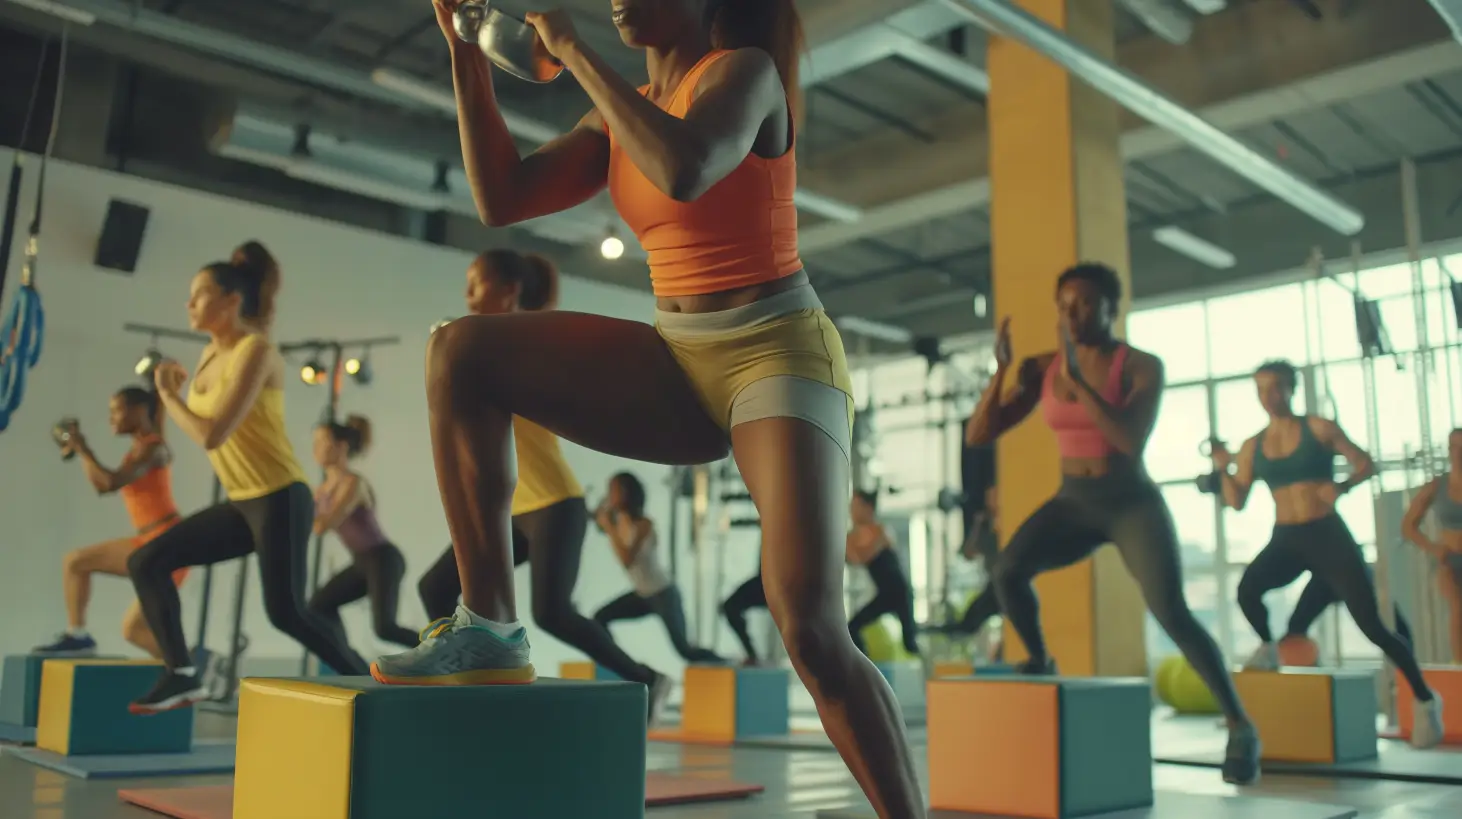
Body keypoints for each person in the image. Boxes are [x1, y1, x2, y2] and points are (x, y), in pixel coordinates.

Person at [373, 0, 924, 812]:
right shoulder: (616, 110)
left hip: (777, 353)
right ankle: (487, 623)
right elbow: (502, 196)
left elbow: (686, 167)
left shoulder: (744, 73)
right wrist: (466, 57)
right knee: (461, 350)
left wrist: (571, 48)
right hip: (677, 358)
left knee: (808, 627)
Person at [968, 262, 1260, 785]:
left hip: (1129, 502)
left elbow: (1128, 440)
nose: (1072, 314)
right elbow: (980, 433)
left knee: (1171, 611)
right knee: (1008, 570)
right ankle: (1040, 661)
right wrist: (1000, 373)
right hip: (1074, 503)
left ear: (1111, 308)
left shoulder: (1142, 366)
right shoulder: (1044, 367)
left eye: (1083, 304)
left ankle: (1240, 724)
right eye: (1064, 305)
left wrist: (1081, 385)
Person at [411, 250, 679, 717]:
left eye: (475, 284)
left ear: (508, 292)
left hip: (557, 502)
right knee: (434, 586)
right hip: (517, 508)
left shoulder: (522, 345)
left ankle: (647, 677)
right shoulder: (478, 346)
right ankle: (457, 668)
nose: (466, 295)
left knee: (552, 611)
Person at [126, 241, 368, 714]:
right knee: (147, 563)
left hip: (280, 495)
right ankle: (181, 673)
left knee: (286, 612)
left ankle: (368, 683)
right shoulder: (207, 357)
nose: (189, 304)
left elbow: (213, 433)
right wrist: (174, 394)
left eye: (199, 295)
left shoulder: (255, 350)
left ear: (231, 301)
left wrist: (167, 397)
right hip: (243, 501)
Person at [1212, 358, 1443, 748]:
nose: (1268, 397)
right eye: (1261, 390)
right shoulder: (1253, 446)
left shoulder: (1317, 428)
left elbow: (1365, 463)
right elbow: (1236, 500)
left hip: (1327, 535)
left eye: (1276, 388)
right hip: (1286, 538)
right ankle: (1268, 647)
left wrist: (1342, 486)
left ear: (1291, 389)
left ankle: (1424, 699)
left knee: (1373, 626)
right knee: (1247, 590)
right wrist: (1221, 470)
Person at [34, 388, 185, 659]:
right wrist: (80, 450)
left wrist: (83, 447)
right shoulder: (142, 446)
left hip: (167, 544)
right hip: (149, 542)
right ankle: (196, 666)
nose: (111, 418)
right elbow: (100, 484)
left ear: (139, 410)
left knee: (76, 561)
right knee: (133, 631)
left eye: (116, 410)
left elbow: (109, 483)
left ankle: (78, 637)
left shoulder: (153, 448)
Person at [307, 415, 420, 651]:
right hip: (361, 563)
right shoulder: (322, 490)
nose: (316, 448)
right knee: (319, 606)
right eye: (315, 442)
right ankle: (348, 659)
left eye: (322, 441)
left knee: (385, 628)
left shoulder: (353, 484)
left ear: (341, 446)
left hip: (383, 558)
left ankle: (441, 649)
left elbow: (322, 524)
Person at [592, 471, 725, 664]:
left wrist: (609, 527)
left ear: (627, 492)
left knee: (684, 650)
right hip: (642, 594)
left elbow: (628, 559)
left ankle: (726, 663)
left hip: (663, 593)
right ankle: (617, 661)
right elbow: (598, 524)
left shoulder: (645, 524)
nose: (610, 495)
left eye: (614, 490)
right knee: (600, 618)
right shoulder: (619, 522)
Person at [1401, 428, 1462, 663]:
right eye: (1453, 448)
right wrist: (1433, 547)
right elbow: (1408, 526)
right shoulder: (1438, 486)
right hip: (1448, 559)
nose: (1458, 453)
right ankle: (1459, 666)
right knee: (1457, 606)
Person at [845, 490, 921, 659]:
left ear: (869, 508)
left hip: (901, 592)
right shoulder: (853, 537)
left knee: (910, 643)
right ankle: (864, 665)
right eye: (852, 507)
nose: (852, 511)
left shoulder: (880, 530)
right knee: (852, 627)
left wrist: (855, 548)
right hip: (885, 594)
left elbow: (859, 557)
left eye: (857, 506)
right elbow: (855, 557)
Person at [721, 562, 768, 664]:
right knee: (730, 607)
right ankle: (752, 655)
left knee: (730, 607)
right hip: (766, 579)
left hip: (775, 580)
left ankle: (752, 654)